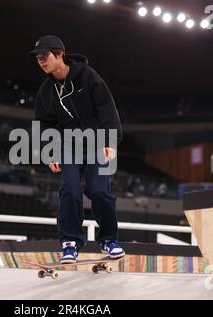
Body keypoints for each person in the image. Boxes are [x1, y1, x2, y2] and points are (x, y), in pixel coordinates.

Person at [30, 35, 125, 263]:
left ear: (59, 54)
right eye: (38, 58)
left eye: (45, 56)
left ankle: (109, 240)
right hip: (67, 144)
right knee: (70, 189)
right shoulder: (47, 89)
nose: (41, 61)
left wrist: (110, 142)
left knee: (99, 191)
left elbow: (107, 108)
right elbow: (43, 122)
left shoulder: (88, 76)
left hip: (95, 142)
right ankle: (70, 243)